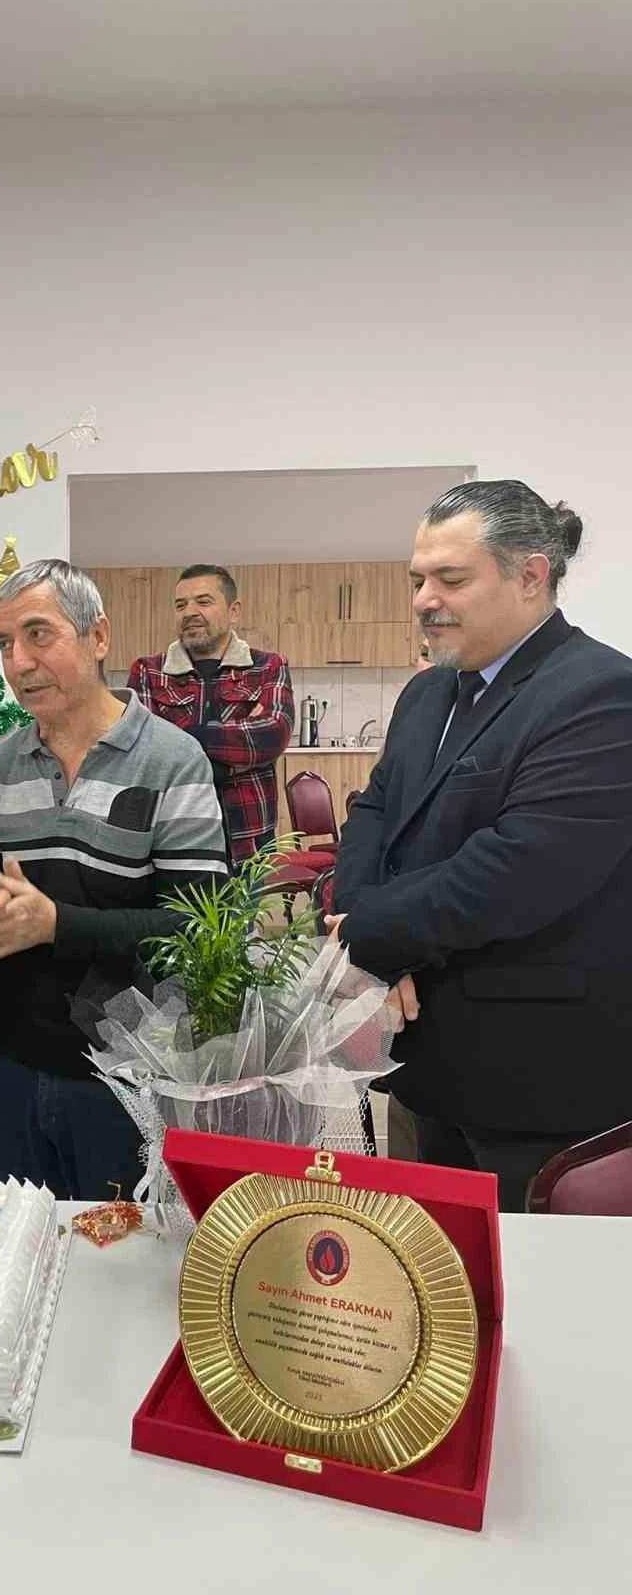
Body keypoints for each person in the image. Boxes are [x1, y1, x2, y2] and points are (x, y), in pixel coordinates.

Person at [329, 480, 632, 1211]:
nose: (423, 599)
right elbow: (374, 813)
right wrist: (361, 936)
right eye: (418, 579)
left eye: (450, 579)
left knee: (530, 1279)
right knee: (424, 1268)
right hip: (419, 1065)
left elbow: (517, 870)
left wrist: (362, 934)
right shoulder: (426, 693)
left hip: (537, 1087)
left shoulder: (601, 692)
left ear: (530, 576)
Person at [0, 559, 228, 1200]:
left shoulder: (172, 761)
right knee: (4, 1238)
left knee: (118, 1250)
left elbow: (196, 928)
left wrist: (56, 925)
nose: (18, 663)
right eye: (5, 643)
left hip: (129, 1073)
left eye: (38, 635)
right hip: (8, 1064)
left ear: (98, 637)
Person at [129, 564, 294, 862]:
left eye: (203, 601)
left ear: (234, 611)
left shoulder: (268, 666)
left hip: (249, 842)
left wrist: (180, 739)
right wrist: (235, 757)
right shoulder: (148, 671)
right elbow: (140, 749)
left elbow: (273, 734)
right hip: (170, 839)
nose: (189, 612)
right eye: (181, 605)